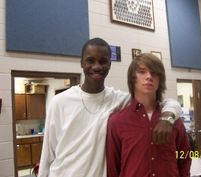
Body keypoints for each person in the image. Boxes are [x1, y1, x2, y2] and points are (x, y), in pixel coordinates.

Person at [38, 38, 181, 177]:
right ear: (81, 63)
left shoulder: (118, 99)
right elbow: (47, 154)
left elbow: (165, 102)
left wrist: (167, 118)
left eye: (103, 61)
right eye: (90, 60)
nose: (97, 66)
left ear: (109, 64)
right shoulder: (59, 102)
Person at [106, 53, 191, 177]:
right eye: (142, 72)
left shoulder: (173, 119)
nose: (149, 76)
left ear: (160, 79)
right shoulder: (117, 122)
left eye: (154, 73)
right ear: (132, 78)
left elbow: (185, 158)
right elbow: (113, 167)